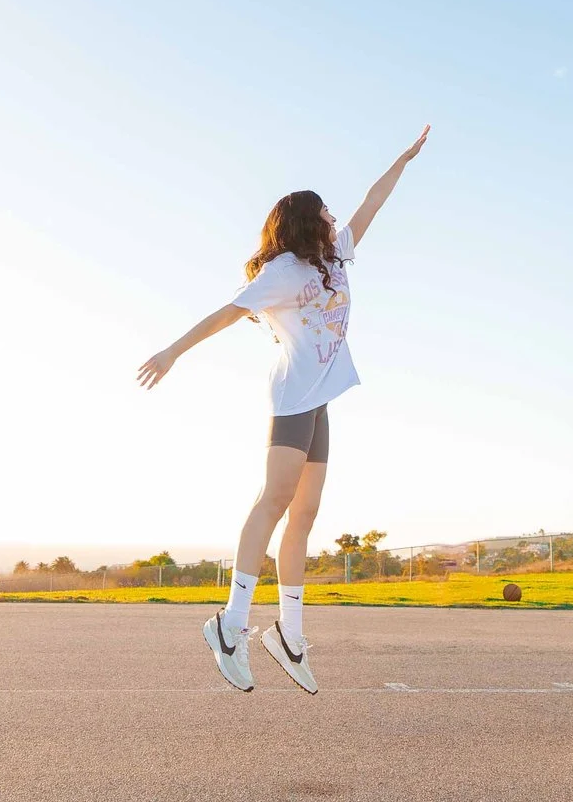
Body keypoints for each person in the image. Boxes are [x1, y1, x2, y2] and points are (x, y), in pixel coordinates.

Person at [137, 129, 430, 694]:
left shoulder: (337, 254)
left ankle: (289, 635)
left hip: (319, 400)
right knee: (273, 501)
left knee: (305, 514)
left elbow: (375, 201)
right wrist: (172, 352)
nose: (332, 218)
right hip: (293, 399)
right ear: (303, 222)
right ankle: (230, 623)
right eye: (323, 213)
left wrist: (403, 158)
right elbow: (226, 313)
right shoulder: (283, 273)